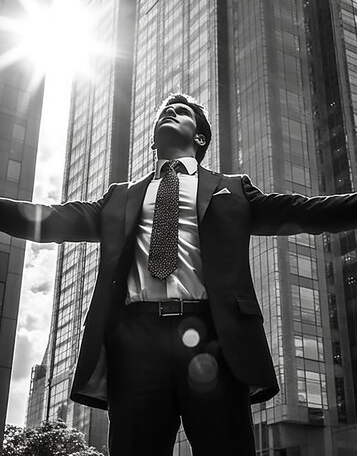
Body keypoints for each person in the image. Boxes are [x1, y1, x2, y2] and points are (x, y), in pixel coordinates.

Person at [2, 92, 357, 456]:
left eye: (181, 111)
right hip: (135, 343)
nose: (169, 111)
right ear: (153, 138)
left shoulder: (231, 190)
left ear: (199, 137)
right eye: (163, 112)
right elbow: (51, 219)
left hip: (213, 339)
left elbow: (308, 211)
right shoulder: (120, 198)